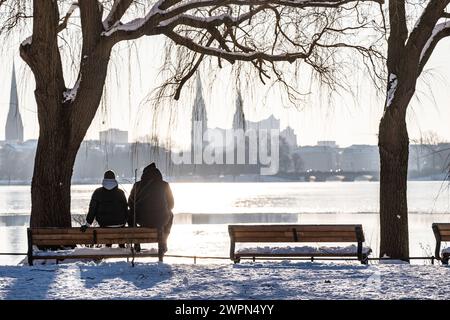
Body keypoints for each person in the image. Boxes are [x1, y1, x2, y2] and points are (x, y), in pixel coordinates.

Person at [128, 163, 174, 252]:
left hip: (141, 219)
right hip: (160, 220)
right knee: (171, 214)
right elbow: (171, 204)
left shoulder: (137, 185)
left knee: (130, 213)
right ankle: (163, 241)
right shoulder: (165, 185)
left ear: (144, 174)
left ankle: (136, 242)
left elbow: (130, 203)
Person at [80, 170, 128, 248]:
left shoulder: (97, 192)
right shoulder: (120, 193)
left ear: (104, 179)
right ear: (114, 179)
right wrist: (126, 221)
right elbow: (125, 209)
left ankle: (108, 246)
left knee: (107, 227)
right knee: (119, 227)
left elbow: (92, 209)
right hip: (120, 223)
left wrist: (87, 224)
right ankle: (121, 246)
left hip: (104, 224)